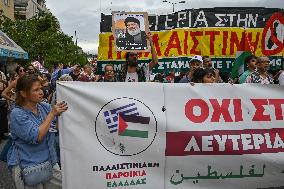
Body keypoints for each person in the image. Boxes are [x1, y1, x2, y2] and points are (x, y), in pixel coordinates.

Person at [7, 75, 68, 188]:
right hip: (28, 167)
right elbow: (36, 137)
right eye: (36, 90)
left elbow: (59, 127)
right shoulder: (17, 113)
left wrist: (61, 116)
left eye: (41, 88)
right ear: (23, 93)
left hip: (50, 161)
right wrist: (52, 114)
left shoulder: (43, 106)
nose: (41, 92)